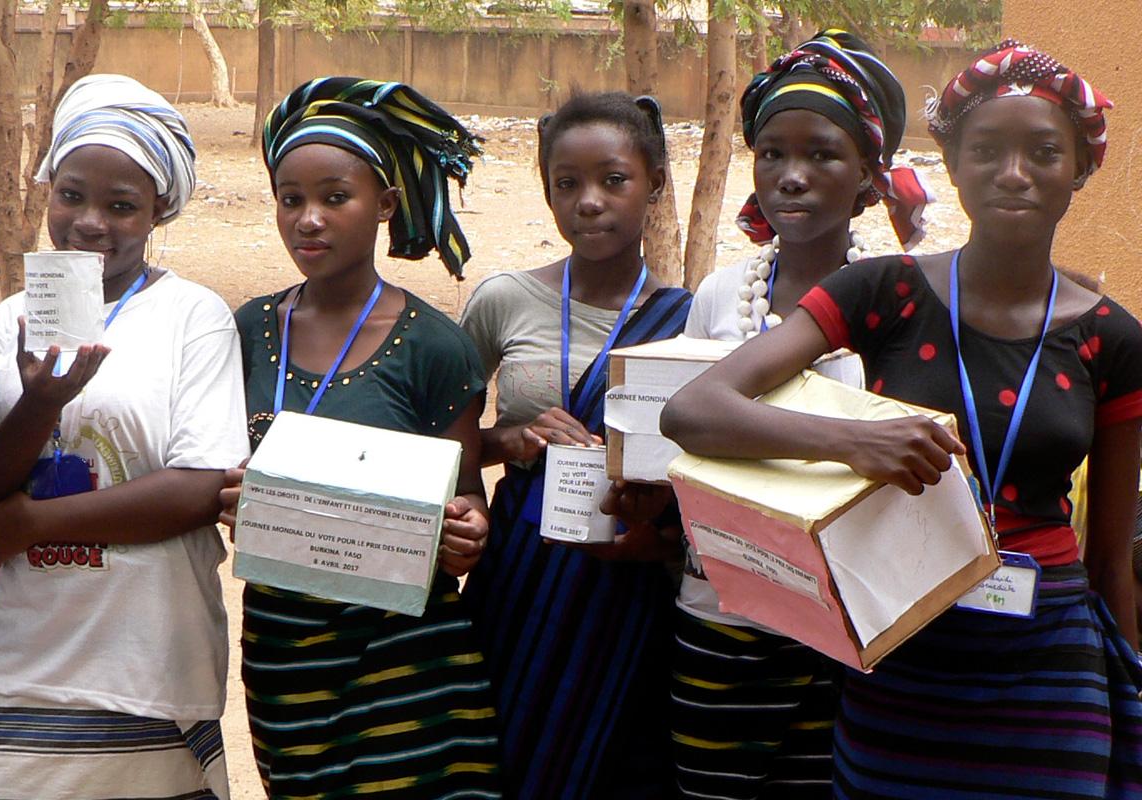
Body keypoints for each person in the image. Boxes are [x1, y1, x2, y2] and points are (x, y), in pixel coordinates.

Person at [662, 40, 1142, 798]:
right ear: (950, 164)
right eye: (986, 149)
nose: (1013, 173)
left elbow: (1113, 558)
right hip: (903, 642)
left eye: (1044, 151)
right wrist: (855, 442)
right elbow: (694, 411)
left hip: (1048, 668)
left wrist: (1134, 693)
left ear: (1082, 169)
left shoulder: (1113, 337)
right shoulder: (883, 291)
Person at [0, 74, 248, 800]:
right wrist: (39, 405)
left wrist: (32, 523)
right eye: (73, 195)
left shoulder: (194, 316)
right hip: (28, 667)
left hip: (149, 665)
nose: (91, 222)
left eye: (122, 206)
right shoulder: (6, 323)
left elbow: (199, 486)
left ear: (157, 212)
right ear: (48, 190)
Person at [218, 76, 501, 799]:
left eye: (334, 197)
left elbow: (465, 503)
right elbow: (210, 468)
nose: (308, 219)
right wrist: (223, 493)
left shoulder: (434, 346)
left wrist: (469, 527)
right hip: (284, 654)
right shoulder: (247, 331)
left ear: (384, 204)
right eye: (290, 199)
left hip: (402, 658)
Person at [671, 30, 931, 799]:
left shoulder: (907, 303)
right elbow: (682, 432)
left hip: (847, 624)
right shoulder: (723, 295)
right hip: (717, 611)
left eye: (821, 154)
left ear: (869, 179)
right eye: (772, 154)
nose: (791, 177)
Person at [457, 90, 690, 798]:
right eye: (568, 184)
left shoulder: (689, 321)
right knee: (509, 743)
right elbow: (454, 448)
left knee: (618, 760)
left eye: (613, 180)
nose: (589, 201)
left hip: (633, 572)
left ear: (653, 182)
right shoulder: (503, 300)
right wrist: (517, 439)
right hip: (523, 571)